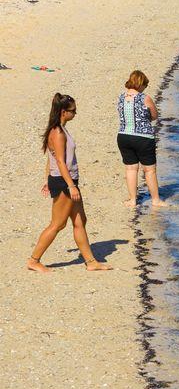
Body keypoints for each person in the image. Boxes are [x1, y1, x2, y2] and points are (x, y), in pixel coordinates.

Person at [27, 93, 111, 272]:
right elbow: (59, 161)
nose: (75, 114)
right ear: (64, 112)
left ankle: (91, 262)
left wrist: (47, 180)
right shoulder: (57, 132)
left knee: (80, 220)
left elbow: (51, 158)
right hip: (65, 182)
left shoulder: (60, 129)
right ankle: (34, 260)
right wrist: (70, 185)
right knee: (57, 224)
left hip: (64, 179)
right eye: (73, 111)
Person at [117, 70, 166, 208]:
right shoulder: (144, 98)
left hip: (124, 135)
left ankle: (132, 200)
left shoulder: (121, 97)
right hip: (143, 137)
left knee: (131, 169)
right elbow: (155, 115)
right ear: (140, 84)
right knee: (149, 170)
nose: (145, 88)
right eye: (145, 85)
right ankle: (155, 200)